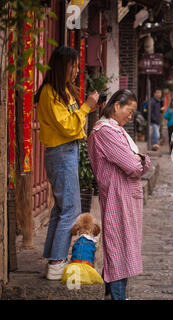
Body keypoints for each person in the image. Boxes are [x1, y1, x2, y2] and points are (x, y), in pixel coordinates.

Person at [35, 46, 99, 280]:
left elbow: (74, 122)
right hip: (61, 153)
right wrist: (86, 107)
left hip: (67, 151)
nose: (76, 70)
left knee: (61, 209)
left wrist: (86, 108)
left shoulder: (64, 91)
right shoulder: (50, 93)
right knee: (70, 210)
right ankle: (56, 262)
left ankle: (54, 257)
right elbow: (69, 126)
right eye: (73, 65)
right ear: (63, 66)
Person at [87, 89, 151, 300]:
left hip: (124, 195)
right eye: (129, 111)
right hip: (117, 195)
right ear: (116, 106)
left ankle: (112, 294)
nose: (131, 117)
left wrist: (141, 160)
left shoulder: (114, 130)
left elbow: (136, 162)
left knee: (122, 246)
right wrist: (142, 160)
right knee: (118, 248)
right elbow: (133, 164)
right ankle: (116, 296)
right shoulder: (105, 131)